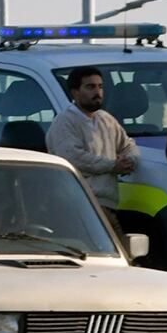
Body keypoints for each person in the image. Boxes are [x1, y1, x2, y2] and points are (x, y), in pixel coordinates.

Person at [45, 65, 139, 220]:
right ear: (75, 92)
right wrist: (112, 165)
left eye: (100, 87)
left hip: (107, 205)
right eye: (90, 87)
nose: (97, 92)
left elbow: (127, 145)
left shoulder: (106, 120)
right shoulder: (65, 122)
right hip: (78, 206)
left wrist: (130, 161)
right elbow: (73, 158)